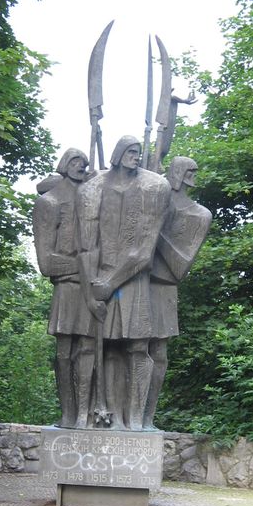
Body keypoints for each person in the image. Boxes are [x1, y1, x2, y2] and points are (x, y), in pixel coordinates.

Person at [76, 135, 171, 430]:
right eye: (130, 151)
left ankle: (135, 420)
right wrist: (92, 292)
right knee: (97, 347)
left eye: (138, 152)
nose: (136, 156)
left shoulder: (154, 188)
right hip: (97, 279)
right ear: (118, 154)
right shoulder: (92, 189)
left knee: (138, 348)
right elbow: (86, 246)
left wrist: (109, 283)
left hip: (133, 282)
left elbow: (143, 252)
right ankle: (95, 415)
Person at [144, 156, 212, 429]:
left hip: (163, 290)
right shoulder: (151, 204)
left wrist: (157, 231)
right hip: (132, 286)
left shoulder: (199, 215)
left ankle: (147, 417)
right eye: (189, 171)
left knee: (158, 352)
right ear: (177, 173)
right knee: (121, 349)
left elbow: (178, 267)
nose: (194, 175)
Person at [32, 148, 96, 429]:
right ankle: (68, 414)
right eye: (75, 161)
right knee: (64, 352)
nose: (81, 166)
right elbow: (46, 262)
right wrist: (84, 267)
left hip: (93, 289)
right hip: (69, 288)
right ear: (64, 165)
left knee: (89, 350)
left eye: (84, 163)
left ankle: (85, 414)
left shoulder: (95, 201)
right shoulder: (49, 203)